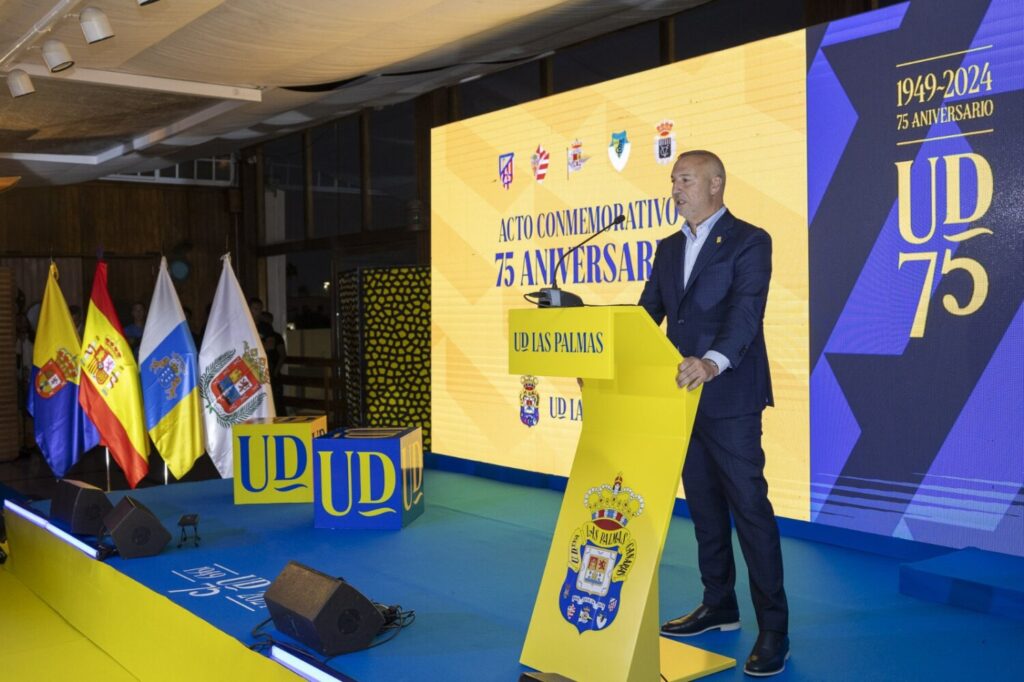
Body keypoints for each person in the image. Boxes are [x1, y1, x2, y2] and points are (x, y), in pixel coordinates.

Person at [639, 150, 788, 676]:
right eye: (673, 180)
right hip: (682, 398)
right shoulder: (667, 248)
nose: (675, 189)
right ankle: (719, 604)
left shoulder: (750, 240)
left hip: (730, 398)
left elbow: (746, 312)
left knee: (750, 510)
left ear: (715, 183)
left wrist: (711, 362)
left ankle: (774, 630)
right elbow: (647, 314)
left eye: (685, 179)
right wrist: (609, 357)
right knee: (703, 508)